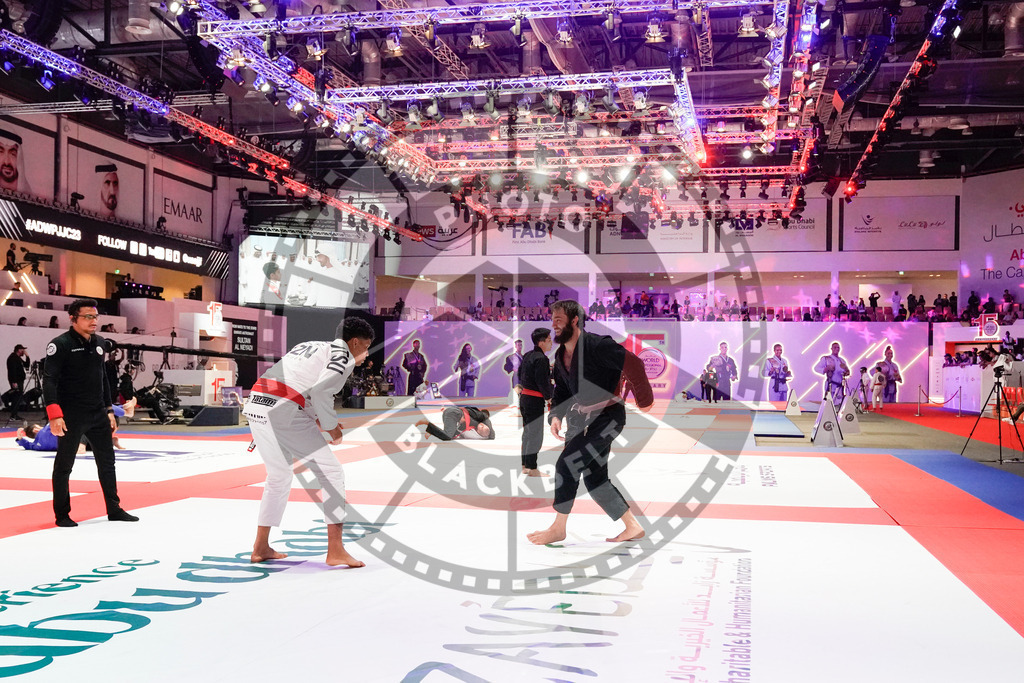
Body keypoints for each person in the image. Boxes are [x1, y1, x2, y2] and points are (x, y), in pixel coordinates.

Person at [243, 316, 374, 568]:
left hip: (257, 404)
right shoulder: (343, 355)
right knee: (332, 472)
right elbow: (322, 391)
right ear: (355, 342)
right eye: (366, 347)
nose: (367, 354)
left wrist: (314, 418)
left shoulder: (308, 346)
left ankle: (260, 547)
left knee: (278, 476)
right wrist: (331, 427)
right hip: (284, 411)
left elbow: (299, 383)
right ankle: (335, 550)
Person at [527, 299, 653, 546]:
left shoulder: (598, 345)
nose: (553, 325)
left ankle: (558, 528)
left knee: (566, 463)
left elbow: (635, 364)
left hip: (606, 417)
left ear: (575, 320)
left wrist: (644, 399)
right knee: (595, 478)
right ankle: (632, 526)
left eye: (559, 319)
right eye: (552, 320)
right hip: (580, 420)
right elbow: (562, 389)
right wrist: (555, 416)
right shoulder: (562, 354)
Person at [43, 298, 138, 527]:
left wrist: (109, 410)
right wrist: (55, 414)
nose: (93, 321)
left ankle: (114, 509)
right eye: (88, 317)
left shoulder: (99, 343)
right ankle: (62, 514)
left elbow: (102, 378)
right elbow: (49, 380)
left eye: (95, 317)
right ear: (73, 318)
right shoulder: (60, 344)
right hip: (71, 415)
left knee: (107, 462)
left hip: (97, 413)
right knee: (64, 465)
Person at [519, 328, 554, 477]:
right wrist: (550, 397)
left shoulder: (527, 355)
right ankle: (532, 468)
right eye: (549, 340)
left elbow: (521, 374)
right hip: (534, 399)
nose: (551, 343)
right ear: (541, 342)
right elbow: (542, 382)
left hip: (525, 398)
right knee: (536, 434)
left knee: (527, 433)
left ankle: (525, 465)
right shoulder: (541, 359)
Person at [415, 406, 494, 440]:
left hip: (453, 414)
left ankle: (432, 431)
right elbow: (492, 434)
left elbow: (460, 429)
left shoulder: (475, 419)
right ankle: (427, 423)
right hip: (453, 414)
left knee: (452, 434)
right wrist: (490, 436)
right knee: (448, 436)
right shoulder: (482, 416)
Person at [5, 344, 29, 419]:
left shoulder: (17, 358)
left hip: (19, 380)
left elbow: (26, 365)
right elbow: (13, 371)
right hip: (16, 381)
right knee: (16, 397)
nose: (23, 351)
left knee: (17, 397)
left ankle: (14, 414)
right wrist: (14, 382)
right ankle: (13, 415)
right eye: (22, 350)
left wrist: (27, 356)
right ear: (19, 350)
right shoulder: (13, 358)